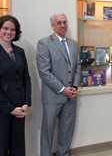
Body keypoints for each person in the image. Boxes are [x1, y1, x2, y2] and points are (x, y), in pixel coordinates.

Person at [36, 13, 80, 156]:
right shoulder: (44, 43)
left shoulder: (73, 44)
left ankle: (64, 153)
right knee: (48, 131)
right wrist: (62, 89)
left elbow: (78, 67)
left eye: (65, 22)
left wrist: (74, 87)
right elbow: (44, 72)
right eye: (59, 22)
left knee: (67, 130)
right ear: (53, 25)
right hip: (52, 97)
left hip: (71, 97)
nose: (62, 25)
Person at [0, 15, 32, 156]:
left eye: (12, 29)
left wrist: (26, 102)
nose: (9, 32)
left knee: (18, 147)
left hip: (20, 108)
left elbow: (26, 78)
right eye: (5, 28)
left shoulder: (20, 52)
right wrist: (10, 108)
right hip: (2, 109)